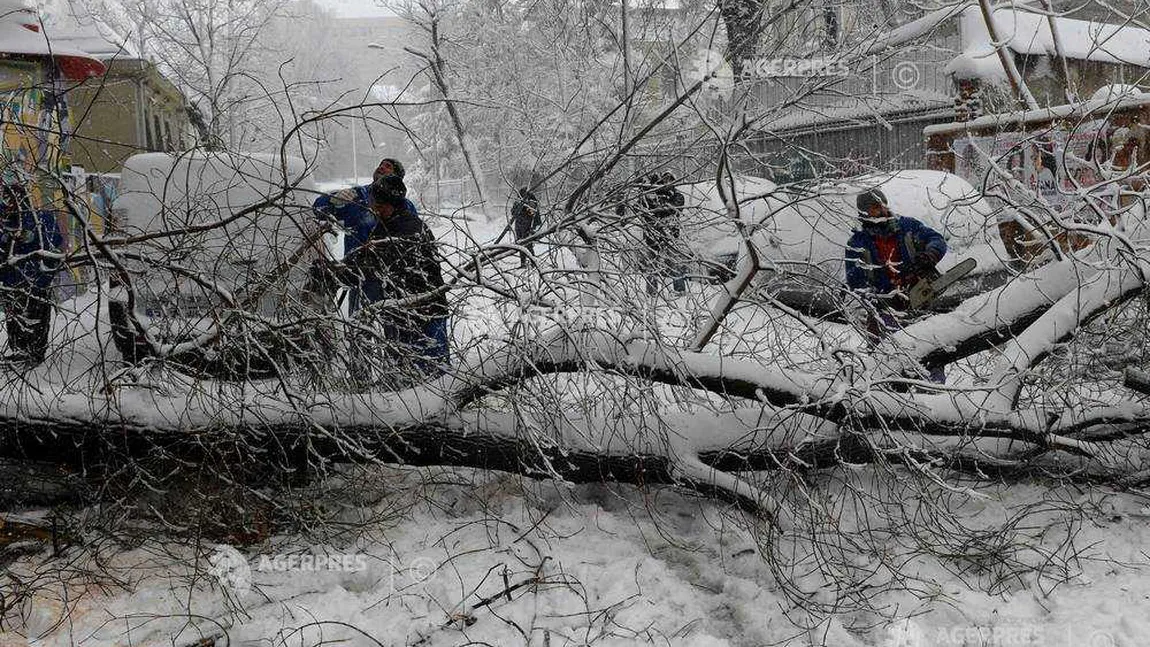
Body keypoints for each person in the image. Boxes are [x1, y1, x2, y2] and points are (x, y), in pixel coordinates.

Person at [312, 160, 449, 383]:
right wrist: (333, 200)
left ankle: (422, 395)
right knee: (365, 333)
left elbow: (378, 259)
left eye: (388, 167)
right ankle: (364, 379)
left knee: (423, 365)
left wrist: (335, 274)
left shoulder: (403, 224)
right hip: (378, 288)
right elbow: (318, 208)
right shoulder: (359, 198)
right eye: (380, 164)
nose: (381, 168)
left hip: (412, 302)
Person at [844, 187, 947, 381]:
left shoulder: (907, 227)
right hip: (883, 312)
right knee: (887, 362)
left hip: (919, 300)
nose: (881, 209)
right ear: (865, 212)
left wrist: (929, 255)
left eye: (882, 205)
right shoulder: (857, 244)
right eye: (875, 207)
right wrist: (883, 299)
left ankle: (936, 393)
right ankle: (893, 401)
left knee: (930, 352)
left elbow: (937, 239)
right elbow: (856, 283)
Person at [0, 183, 62, 366]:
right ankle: (19, 349)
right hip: (11, 280)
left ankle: (35, 352)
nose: (8, 202)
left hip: (35, 280)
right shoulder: (5, 221)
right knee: (15, 318)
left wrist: (43, 275)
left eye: (11, 198)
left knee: (37, 316)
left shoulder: (39, 218)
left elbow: (53, 244)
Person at [640, 173, 686, 296]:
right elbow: (645, 212)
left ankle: (680, 290)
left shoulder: (678, 196)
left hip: (671, 236)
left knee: (675, 264)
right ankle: (651, 292)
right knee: (652, 266)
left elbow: (672, 209)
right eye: (664, 180)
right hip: (652, 236)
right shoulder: (652, 195)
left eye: (669, 180)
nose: (667, 183)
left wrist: (659, 206)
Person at [510, 186, 540, 268]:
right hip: (519, 225)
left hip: (527, 225)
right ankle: (523, 263)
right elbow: (513, 212)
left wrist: (525, 207)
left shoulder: (532, 201)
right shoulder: (518, 201)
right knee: (520, 244)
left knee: (528, 244)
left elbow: (532, 213)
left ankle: (533, 262)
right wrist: (518, 207)